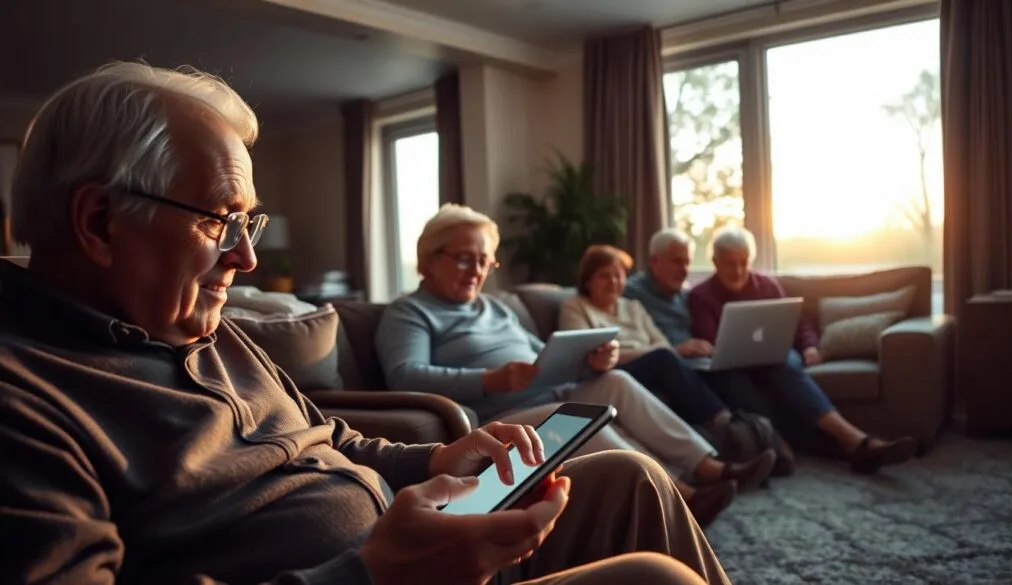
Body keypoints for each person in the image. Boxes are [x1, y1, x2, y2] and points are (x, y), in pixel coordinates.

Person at [0, 62, 733, 585]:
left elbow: (331, 436)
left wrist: (438, 461)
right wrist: (375, 571)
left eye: (246, 221)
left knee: (631, 478)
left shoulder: (209, 328)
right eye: (222, 220)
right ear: (100, 220)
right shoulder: (24, 399)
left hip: (419, 544)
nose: (248, 256)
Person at [375, 205, 778, 527]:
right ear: (427, 260)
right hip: (501, 420)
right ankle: (677, 497)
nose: (477, 271)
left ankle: (711, 467)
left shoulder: (494, 307)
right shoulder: (410, 312)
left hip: (548, 394)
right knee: (575, 415)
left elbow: (543, 353)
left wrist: (587, 362)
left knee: (615, 380)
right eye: (464, 259)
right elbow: (405, 376)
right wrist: (490, 379)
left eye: (484, 261)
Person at [625, 227, 916, 474]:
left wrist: (811, 345)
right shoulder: (696, 296)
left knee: (784, 367)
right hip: (728, 365)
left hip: (775, 358)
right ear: (715, 262)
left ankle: (851, 437)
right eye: (729, 263)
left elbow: (797, 321)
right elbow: (710, 342)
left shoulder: (765, 284)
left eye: (743, 262)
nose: (738, 270)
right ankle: (849, 448)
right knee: (736, 380)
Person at [559, 245, 741, 432]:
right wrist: (648, 353)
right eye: (604, 276)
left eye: (618, 275)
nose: (613, 281)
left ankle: (731, 418)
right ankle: (720, 418)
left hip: (651, 364)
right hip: (612, 370)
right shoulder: (575, 306)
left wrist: (653, 352)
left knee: (699, 364)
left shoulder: (632, 306)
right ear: (588, 281)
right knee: (663, 357)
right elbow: (584, 353)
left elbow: (662, 343)